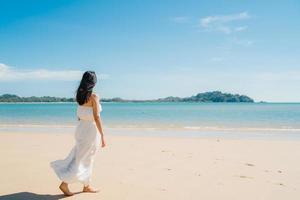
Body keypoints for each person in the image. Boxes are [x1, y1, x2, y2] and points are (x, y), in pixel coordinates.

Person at [50, 71, 106, 196]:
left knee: (81, 157)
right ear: (93, 82)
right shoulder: (94, 97)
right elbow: (96, 117)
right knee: (84, 158)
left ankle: (87, 185)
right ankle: (65, 184)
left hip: (81, 129)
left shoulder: (79, 95)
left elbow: (79, 114)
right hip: (90, 131)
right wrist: (102, 135)